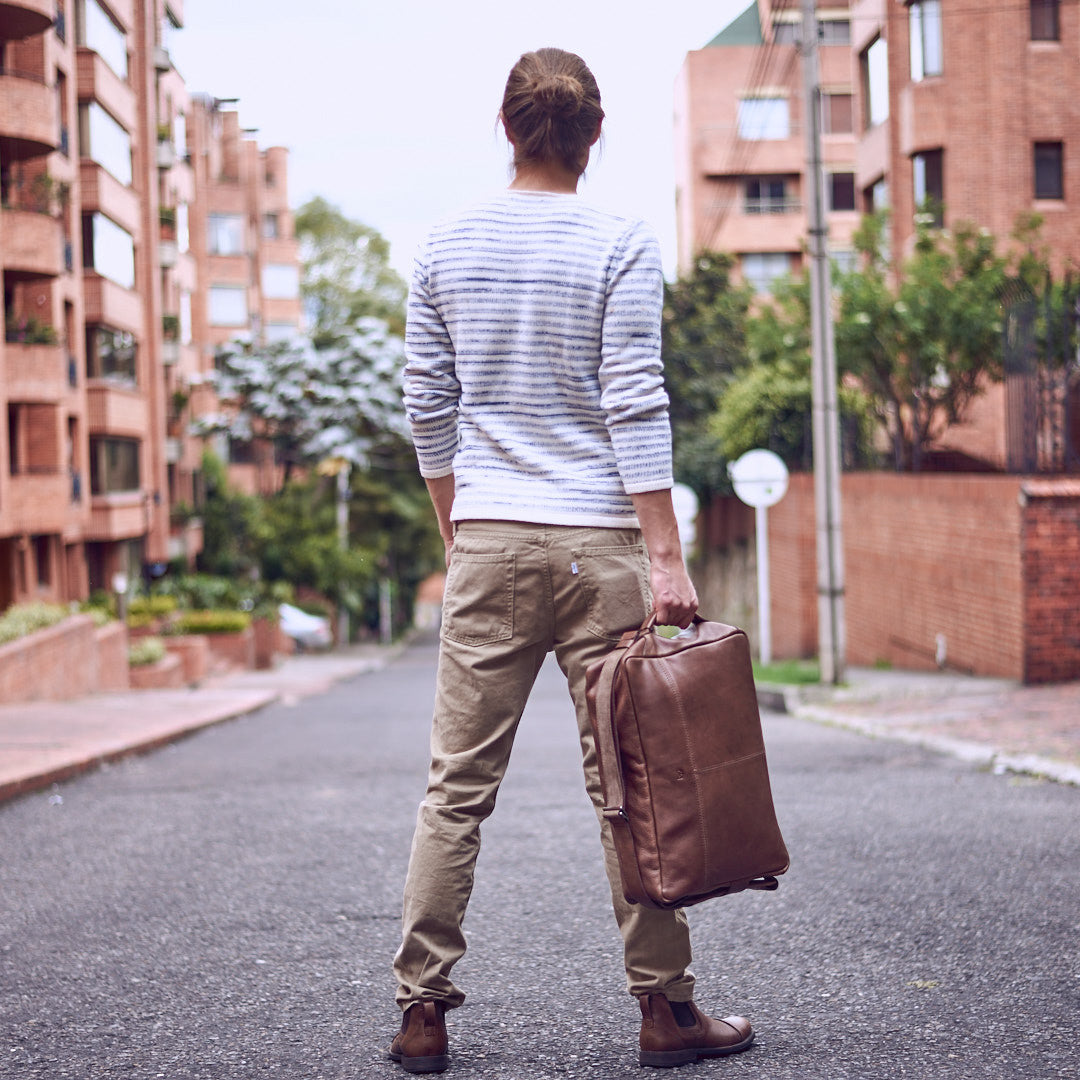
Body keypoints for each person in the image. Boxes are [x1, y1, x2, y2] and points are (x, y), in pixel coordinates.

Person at [390, 47, 754, 1074]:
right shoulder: (620, 240)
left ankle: (422, 1011)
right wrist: (667, 556)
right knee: (631, 785)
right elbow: (636, 397)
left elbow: (428, 402)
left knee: (455, 788)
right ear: (594, 135)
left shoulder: (445, 244)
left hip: (493, 539)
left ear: (507, 127)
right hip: (601, 544)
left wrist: (459, 523)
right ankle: (665, 1012)